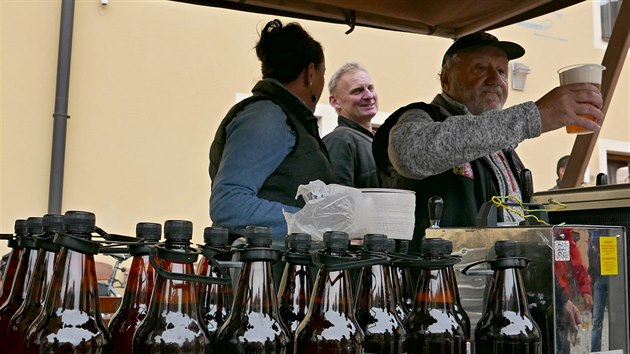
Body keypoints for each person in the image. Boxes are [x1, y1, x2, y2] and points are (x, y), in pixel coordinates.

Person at [372, 31, 603, 248]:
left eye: (502, 71)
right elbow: (411, 155)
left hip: (502, 283)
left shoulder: (501, 144)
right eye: (480, 68)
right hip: (437, 283)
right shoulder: (419, 117)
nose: (495, 79)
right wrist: (535, 115)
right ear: (445, 80)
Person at [209, 19, 334, 240]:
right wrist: (314, 225)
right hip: (262, 270)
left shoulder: (283, 115)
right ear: (310, 73)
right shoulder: (266, 117)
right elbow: (229, 204)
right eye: (323, 72)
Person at [323, 62, 379, 188]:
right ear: (335, 101)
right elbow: (338, 202)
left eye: (370, 88)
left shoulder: (378, 141)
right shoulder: (340, 140)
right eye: (357, 91)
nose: (369, 96)